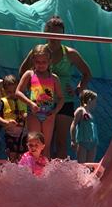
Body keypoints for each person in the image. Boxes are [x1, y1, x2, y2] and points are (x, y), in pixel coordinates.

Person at [19, 16, 92, 160]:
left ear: (63, 34)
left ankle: (57, 172)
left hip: (64, 101)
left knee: (60, 142)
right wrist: (31, 89)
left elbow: (87, 73)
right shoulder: (38, 52)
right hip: (41, 103)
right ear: (46, 33)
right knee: (43, 142)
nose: (55, 37)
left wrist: (78, 89)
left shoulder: (70, 53)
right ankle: (40, 169)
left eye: (58, 34)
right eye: (51, 33)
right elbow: (23, 71)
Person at [16, 44, 64, 159]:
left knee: (45, 146)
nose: (41, 65)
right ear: (33, 61)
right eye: (38, 62)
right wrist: (30, 103)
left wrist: (55, 112)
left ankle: (45, 169)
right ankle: (32, 168)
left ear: (49, 61)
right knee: (34, 145)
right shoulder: (30, 74)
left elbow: (61, 98)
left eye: (44, 62)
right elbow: (18, 92)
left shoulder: (54, 78)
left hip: (48, 115)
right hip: (34, 114)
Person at [0, 75, 28, 163]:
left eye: (14, 91)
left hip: (24, 134)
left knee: (23, 156)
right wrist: (6, 122)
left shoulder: (24, 99)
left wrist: (27, 116)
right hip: (11, 135)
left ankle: (22, 169)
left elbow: (32, 113)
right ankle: (12, 168)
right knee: (12, 155)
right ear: (4, 91)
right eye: (9, 92)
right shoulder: (3, 102)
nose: (12, 94)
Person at [70, 89, 99, 163]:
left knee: (90, 164)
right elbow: (73, 125)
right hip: (83, 142)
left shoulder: (90, 114)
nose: (95, 104)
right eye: (94, 101)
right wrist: (73, 140)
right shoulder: (80, 110)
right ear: (89, 100)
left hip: (93, 142)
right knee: (82, 164)